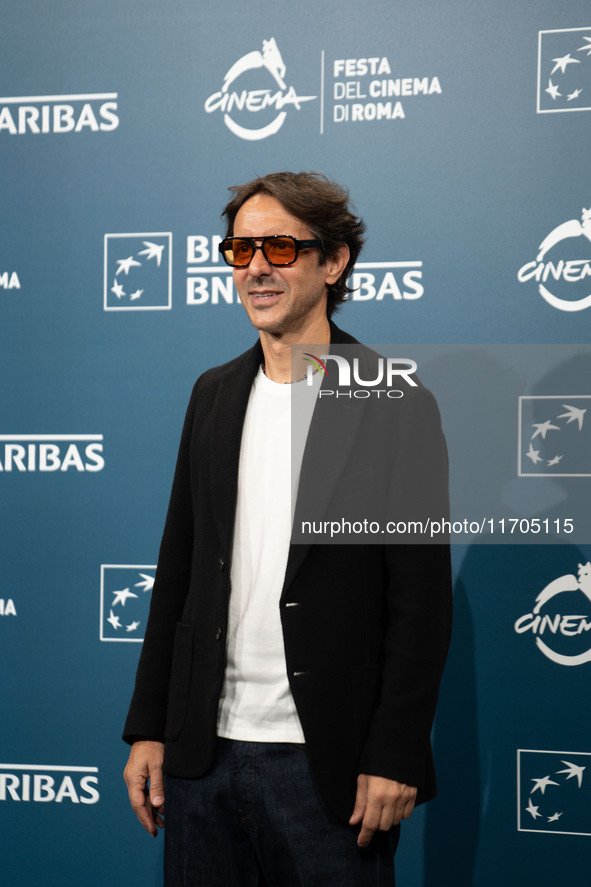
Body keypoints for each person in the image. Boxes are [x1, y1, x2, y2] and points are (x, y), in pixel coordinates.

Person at [123, 171, 452, 886]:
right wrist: (150, 723)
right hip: (202, 759)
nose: (256, 268)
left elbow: (421, 604)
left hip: (326, 770)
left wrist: (393, 753)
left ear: (332, 262)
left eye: (278, 247)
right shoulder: (212, 393)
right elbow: (176, 570)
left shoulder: (394, 398)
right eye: (239, 251)